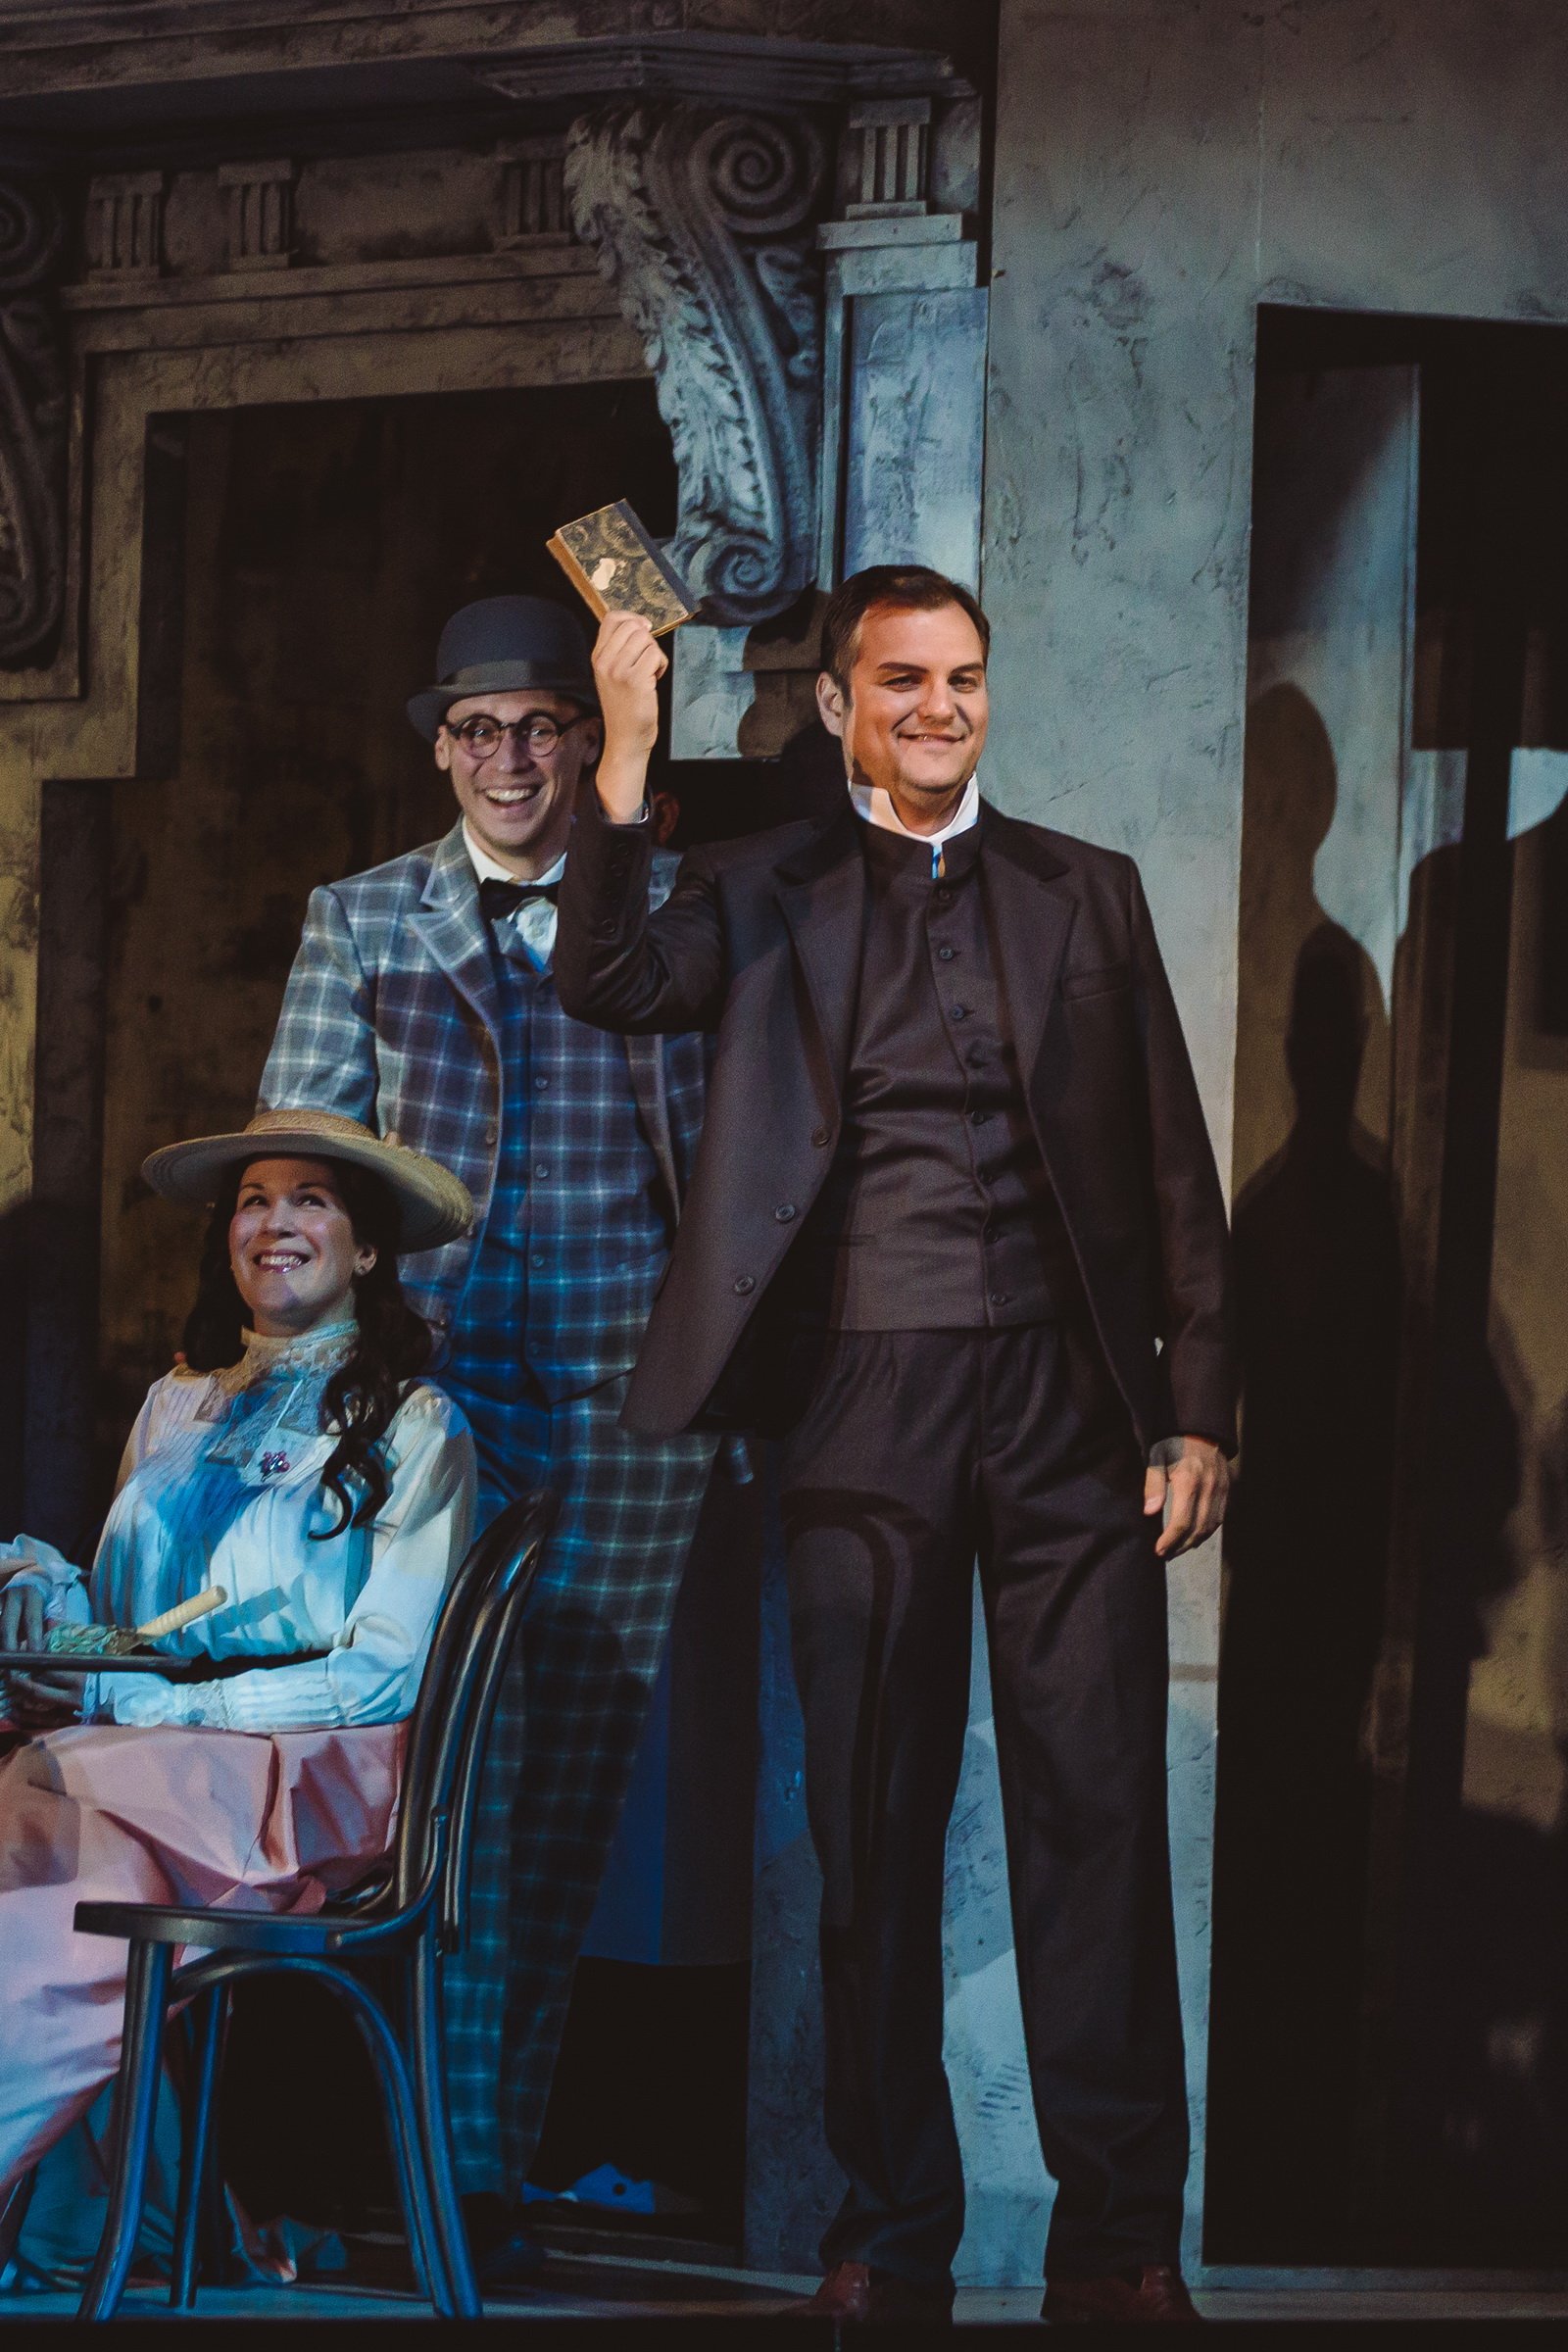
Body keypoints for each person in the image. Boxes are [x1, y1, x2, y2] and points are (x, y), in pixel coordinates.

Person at [554, 566, 1237, 2327]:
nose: (941, 708)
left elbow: (1172, 1154)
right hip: (861, 1399)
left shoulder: (1086, 889)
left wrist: (1198, 1404)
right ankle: (889, 2229)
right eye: (906, 680)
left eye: (965, 678)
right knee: (873, 1829)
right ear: (841, 704)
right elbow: (607, 975)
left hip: (1071, 1412)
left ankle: (1121, 2245)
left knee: (1099, 1820)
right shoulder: (754, 887)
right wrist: (622, 758)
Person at [258, 596, 727, 2262]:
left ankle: (484, 2172)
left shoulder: (676, 902)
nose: (510, 759)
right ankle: (424, 2167)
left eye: (542, 726)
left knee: (568, 1791)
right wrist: (308, 1384)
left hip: (630, 1392)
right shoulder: (363, 918)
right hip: (433, 1400)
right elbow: (302, 1154)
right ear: (441, 749)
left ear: (588, 741)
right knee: (446, 1784)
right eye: (479, 730)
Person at [0, 1109, 476, 2244]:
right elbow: (133, 1622)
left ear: (367, 1246)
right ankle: (114, 2218)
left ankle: (93, 2214)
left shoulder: (417, 1424)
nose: (276, 1221)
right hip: (146, 1747)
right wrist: (48, 1607)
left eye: (311, 1198)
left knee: (37, 1808)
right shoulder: (177, 1402)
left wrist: (176, 1706)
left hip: (313, 1761)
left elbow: (388, 1672)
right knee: (53, 1847)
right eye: (254, 1200)